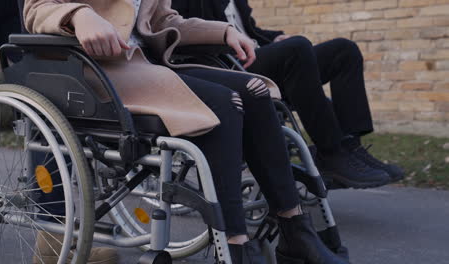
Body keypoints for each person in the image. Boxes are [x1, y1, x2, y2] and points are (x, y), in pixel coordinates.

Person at [24, 0, 349, 263]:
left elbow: (166, 21)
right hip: (99, 74)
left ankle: (295, 233)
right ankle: (234, 248)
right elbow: (35, 9)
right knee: (226, 103)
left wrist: (224, 33)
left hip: (148, 69)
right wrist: (79, 15)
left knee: (255, 90)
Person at [171, 0, 405, 189]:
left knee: (343, 51)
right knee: (297, 49)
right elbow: (180, 30)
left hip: (256, 57)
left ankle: (350, 147)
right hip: (226, 67)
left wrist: (274, 38)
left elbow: (249, 30)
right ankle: (330, 153)